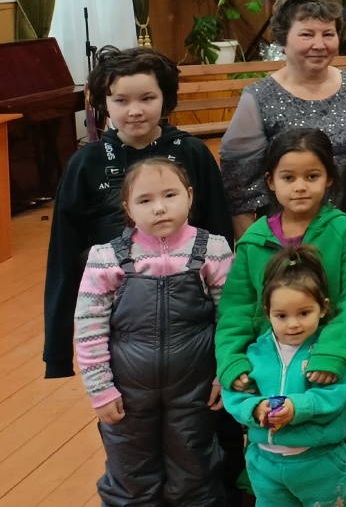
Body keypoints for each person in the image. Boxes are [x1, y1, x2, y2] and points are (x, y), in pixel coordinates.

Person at [45, 46, 233, 381]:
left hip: (193, 321)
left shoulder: (193, 153)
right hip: (120, 323)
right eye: (121, 101)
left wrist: (231, 353)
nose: (135, 111)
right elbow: (63, 256)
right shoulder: (86, 163)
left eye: (147, 98)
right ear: (104, 103)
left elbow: (221, 237)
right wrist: (57, 353)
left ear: (165, 98)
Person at [73, 158, 234, 506]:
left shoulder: (214, 249)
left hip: (196, 390)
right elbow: (89, 329)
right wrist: (100, 390)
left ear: (189, 196)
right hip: (127, 394)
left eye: (170, 195)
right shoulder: (106, 257)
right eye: (145, 200)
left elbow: (230, 320)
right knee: (129, 476)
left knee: (196, 472)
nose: (159, 208)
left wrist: (225, 374)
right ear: (128, 208)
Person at [222, 0, 346, 239]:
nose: (319, 44)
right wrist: (254, 249)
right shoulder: (259, 97)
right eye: (306, 34)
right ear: (282, 40)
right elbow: (240, 192)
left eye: (328, 34)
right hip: (297, 234)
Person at [221, 246, 346, 507]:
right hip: (265, 464)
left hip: (319, 463)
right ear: (267, 312)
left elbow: (340, 393)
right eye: (281, 316)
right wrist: (255, 408)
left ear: (323, 308)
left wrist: (298, 407)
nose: (293, 324)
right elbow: (233, 393)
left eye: (304, 313)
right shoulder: (256, 353)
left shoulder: (329, 354)